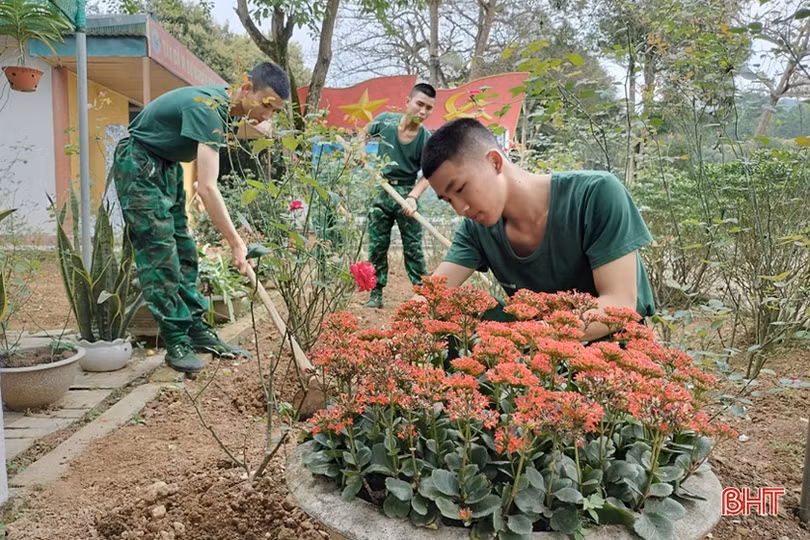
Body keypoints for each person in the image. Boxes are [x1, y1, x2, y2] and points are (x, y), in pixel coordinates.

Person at [112, 62, 290, 373]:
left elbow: (259, 127)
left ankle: (195, 328)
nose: (267, 116)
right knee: (160, 254)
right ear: (246, 88)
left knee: (185, 251)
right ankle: (175, 337)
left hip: (165, 165)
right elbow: (207, 188)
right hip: (139, 163)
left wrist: (268, 124)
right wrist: (236, 243)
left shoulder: (227, 109)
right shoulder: (210, 108)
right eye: (267, 106)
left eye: (275, 111)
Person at [420, 118, 656, 342]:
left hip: (613, 348)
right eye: (448, 200)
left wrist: (521, 336)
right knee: (456, 308)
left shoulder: (595, 194)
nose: (460, 209)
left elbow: (620, 304)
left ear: (494, 162)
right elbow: (431, 296)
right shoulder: (475, 229)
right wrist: (398, 338)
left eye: (460, 188)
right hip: (537, 350)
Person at [357, 83, 437, 309]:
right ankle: (376, 293)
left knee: (413, 248)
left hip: (406, 196)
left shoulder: (425, 139)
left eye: (428, 108)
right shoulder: (386, 122)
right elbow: (363, 133)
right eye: (419, 104)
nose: (422, 111)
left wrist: (413, 197)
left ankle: (425, 296)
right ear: (408, 102)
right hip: (381, 191)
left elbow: (428, 174)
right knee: (377, 246)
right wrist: (360, 153)